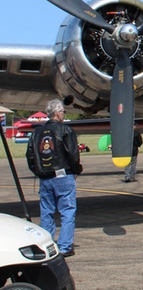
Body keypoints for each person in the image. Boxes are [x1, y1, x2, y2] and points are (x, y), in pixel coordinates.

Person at [25, 99, 82, 257]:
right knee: (67, 211)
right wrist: (76, 170)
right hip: (63, 176)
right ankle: (64, 246)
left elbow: (30, 156)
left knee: (47, 212)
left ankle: (47, 246)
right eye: (63, 112)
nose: (64, 114)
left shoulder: (36, 133)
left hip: (46, 178)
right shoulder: (65, 130)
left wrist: (39, 171)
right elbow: (73, 154)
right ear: (58, 113)